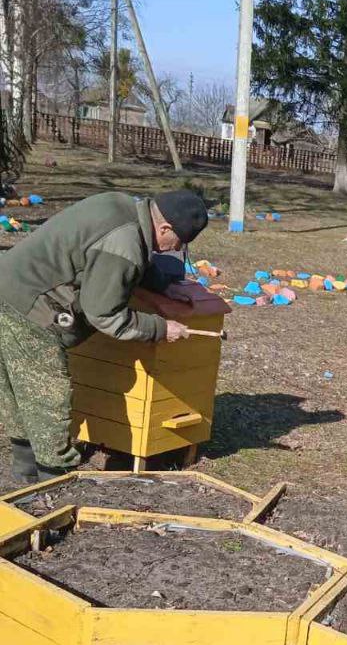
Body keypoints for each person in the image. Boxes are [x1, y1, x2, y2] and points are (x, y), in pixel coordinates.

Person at [0, 188, 208, 485]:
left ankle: (25, 471)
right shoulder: (123, 245)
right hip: (32, 306)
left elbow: (130, 255)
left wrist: (162, 285)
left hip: (8, 283)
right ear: (164, 227)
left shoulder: (121, 205)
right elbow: (105, 315)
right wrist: (161, 328)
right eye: (178, 242)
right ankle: (53, 483)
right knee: (46, 397)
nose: (173, 249)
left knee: (16, 390)